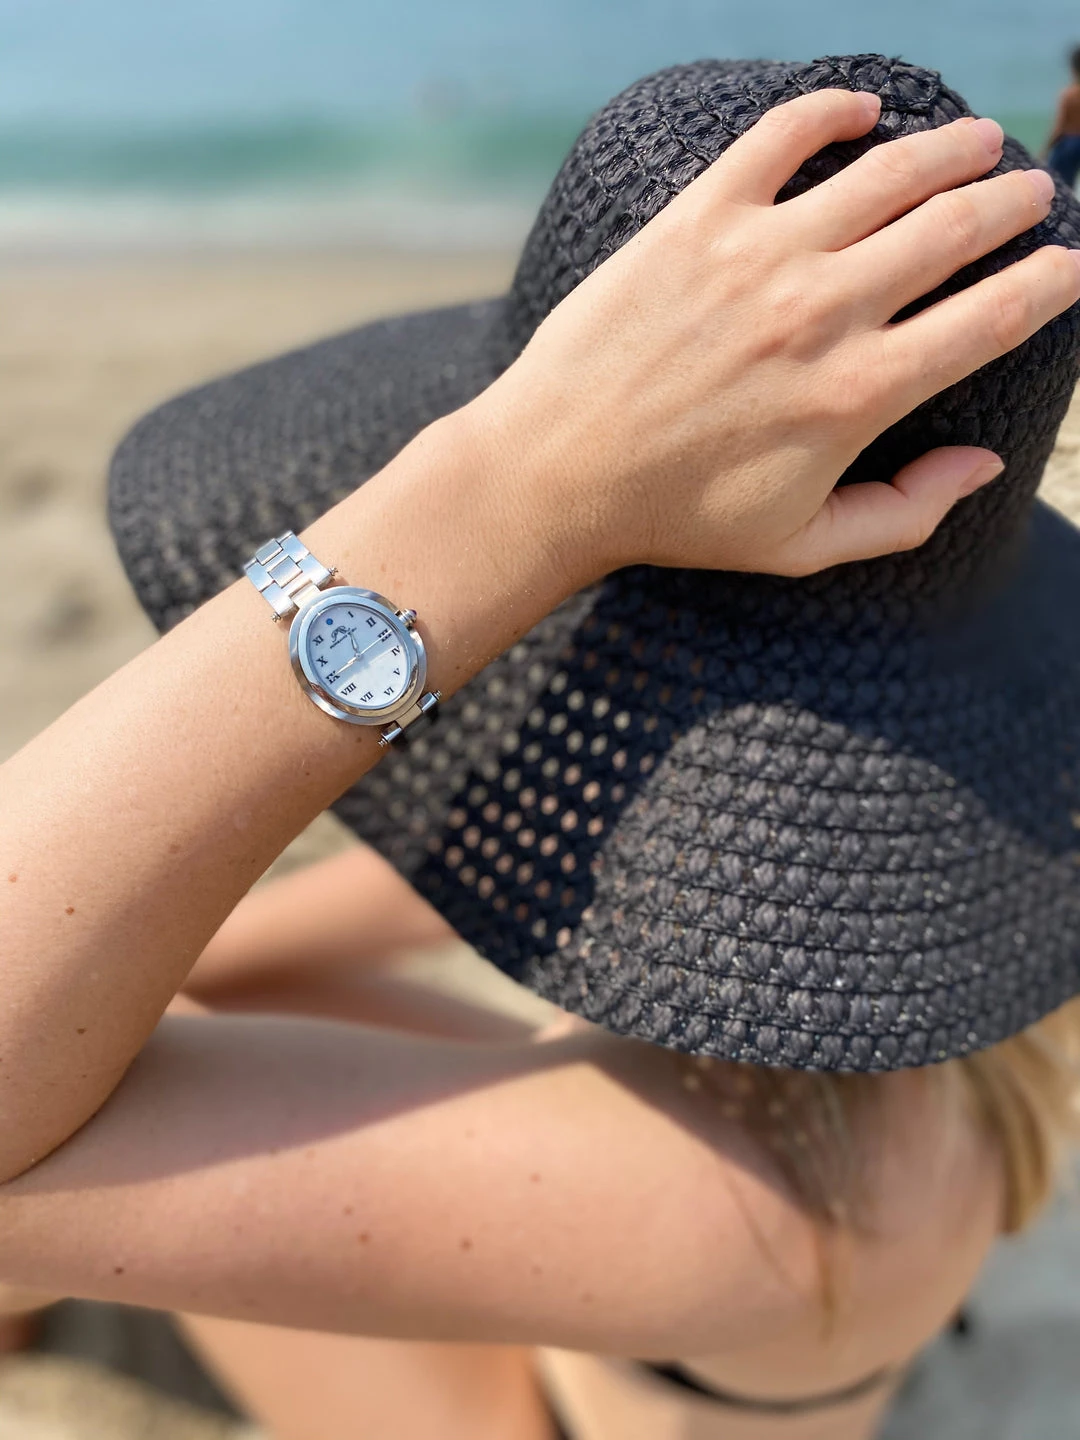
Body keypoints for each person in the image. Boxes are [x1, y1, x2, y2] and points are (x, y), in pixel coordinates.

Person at [2, 52, 1080, 1440]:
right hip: (700, 1298)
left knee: (77, 1052)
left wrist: (519, 482)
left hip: (539, 1409)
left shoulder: (756, 1197)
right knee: (126, 975)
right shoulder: (957, 903)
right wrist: (177, 954)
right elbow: (570, 837)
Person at [1044, 45, 1080, 188]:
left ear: (1072, 68)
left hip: (1070, 142)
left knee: (1060, 182)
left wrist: (1045, 149)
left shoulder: (1069, 95)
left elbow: (1059, 127)